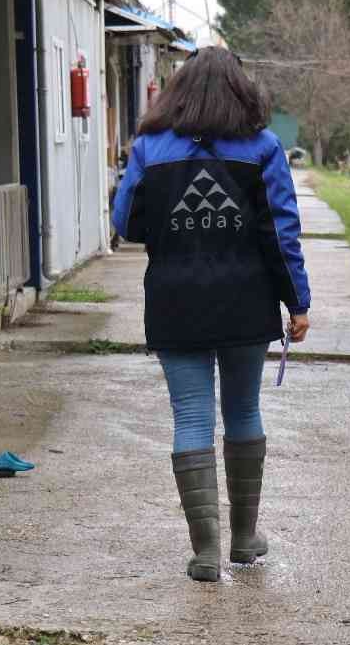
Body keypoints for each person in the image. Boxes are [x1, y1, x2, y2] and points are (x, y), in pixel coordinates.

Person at [112, 47, 311, 582]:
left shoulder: (150, 148)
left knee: (192, 417)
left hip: (174, 301)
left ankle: (205, 552)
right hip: (246, 300)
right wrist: (298, 301)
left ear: (178, 92)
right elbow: (281, 232)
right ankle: (244, 539)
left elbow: (127, 222)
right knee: (243, 411)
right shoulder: (263, 148)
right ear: (242, 92)